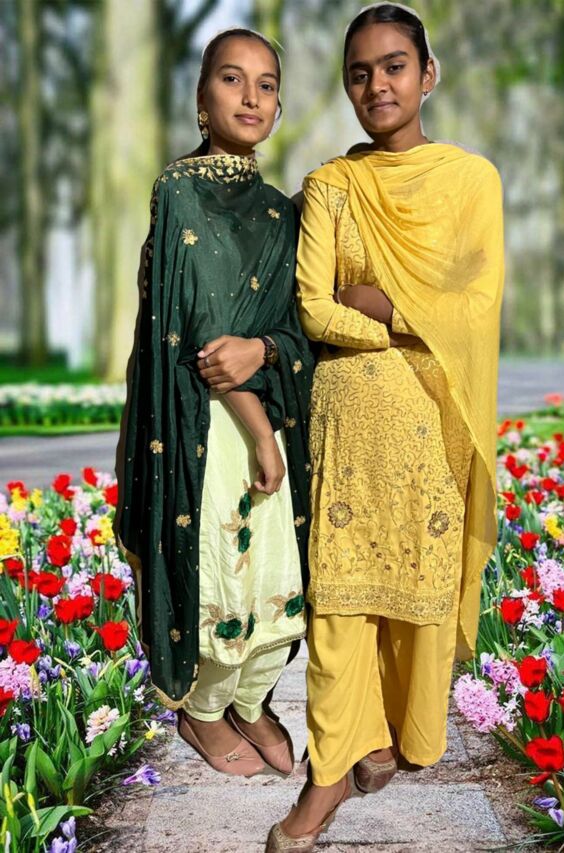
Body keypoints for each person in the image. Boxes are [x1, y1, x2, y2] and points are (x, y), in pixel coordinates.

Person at [267, 3, 504, 849]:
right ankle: (325, 777)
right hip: (346, 424)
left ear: (428, 74)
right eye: (360, 72)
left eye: (395, 65)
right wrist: (402, 326)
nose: (377, 85)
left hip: (433, 424)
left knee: (415, 595)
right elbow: (315, 308)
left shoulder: (472, 181)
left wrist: (386, 306)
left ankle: (391, 737)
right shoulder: (332, 184)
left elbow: (477, 306)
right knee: (339, 606)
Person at [116, 28, 314, 779]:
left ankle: (251, 700)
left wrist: (266, 352)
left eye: (267, 84)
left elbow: (295, 329)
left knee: (276, 577)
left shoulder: (279, 213)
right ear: (201, 99)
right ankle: (203, 711)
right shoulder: (179, 190)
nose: (251, 97)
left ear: (279, 105)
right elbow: (199, 328)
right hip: (205, 423)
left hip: (270, 413)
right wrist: (260, 435)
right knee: (222, 572)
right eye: (232, 79)